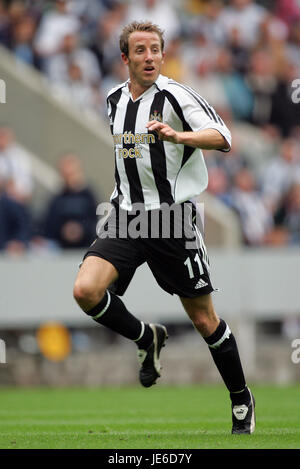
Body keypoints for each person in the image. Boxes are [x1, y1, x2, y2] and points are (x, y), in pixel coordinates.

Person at [73, 21, 255, 435]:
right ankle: (145, 337)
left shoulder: (176, 95)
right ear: (126, 58)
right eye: (140, 50)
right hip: (125, 216)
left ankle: (241, 398)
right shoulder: (113, 100)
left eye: (155, 49)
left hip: (172, 219)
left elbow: (223, 136)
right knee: (85, 291)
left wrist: (179, 136)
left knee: (205, 320)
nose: (150, 56)